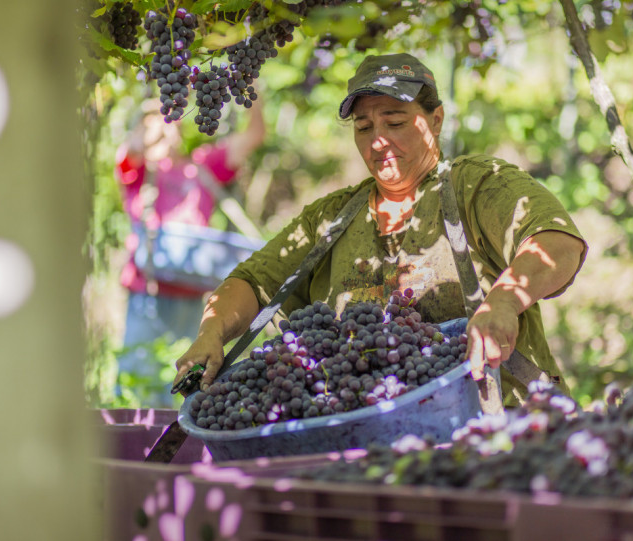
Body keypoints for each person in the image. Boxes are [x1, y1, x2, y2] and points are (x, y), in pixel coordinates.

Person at [173, 53, 587, 404]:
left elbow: (556, 243)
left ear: (435, 120)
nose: (378, 141)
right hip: (364, 441)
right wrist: (211, 332)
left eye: (395, 122)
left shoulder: (476, 186)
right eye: (364, 128)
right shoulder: (330, 218)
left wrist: (503, 303)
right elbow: (253, 280)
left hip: (495, 433)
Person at [115, 98, 266, 406]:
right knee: (137, 377)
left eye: (170, 122)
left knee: (188, 378)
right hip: (148, 290)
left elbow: (254, 136)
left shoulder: (201, 166)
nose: (164, 128)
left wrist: (253, 92)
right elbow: (129, 150)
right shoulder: (139, 170)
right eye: (153, 123)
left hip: (191, 292)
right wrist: (155, 120)